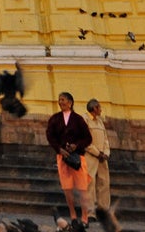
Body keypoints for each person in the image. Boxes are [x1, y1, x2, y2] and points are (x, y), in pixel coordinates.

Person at [45, 91, 92, 231]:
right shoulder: (55, 119)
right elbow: (50, 136)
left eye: (63, 100)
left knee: (82, 188)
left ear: (70, 102)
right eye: (59, 100)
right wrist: (59, 149)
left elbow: (88, 138)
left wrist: (76, 145)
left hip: (77, 158)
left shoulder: (78, 119)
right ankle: (72, 215)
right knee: (67, 189)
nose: (60, 102)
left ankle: (85, 216)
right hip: (63, 158)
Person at [83, 99, 110, 215]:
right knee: (90, 184)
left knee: (104, 183)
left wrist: (105, 153)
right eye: (99, 107)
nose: (101, 109)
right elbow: (84, 140)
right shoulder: (84, 119)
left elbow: (105, 139)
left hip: (102, 157)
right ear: (94, 108)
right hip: (90, 155)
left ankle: (103, 209)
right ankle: (90, 212)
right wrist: (97, 153)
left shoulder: (100, 121)